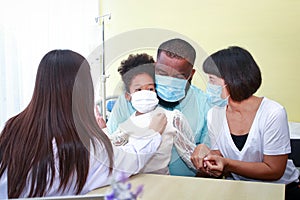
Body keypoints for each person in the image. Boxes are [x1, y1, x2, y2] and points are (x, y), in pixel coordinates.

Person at [0, 50, 167, 198]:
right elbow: (129, 161)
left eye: (150, 88)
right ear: (84, 90)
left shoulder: (12, 128)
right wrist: (151, 134)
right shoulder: (84, 145)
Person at [190, 46, 300, 200]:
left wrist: (226, 164)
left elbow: (274, 170)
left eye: (212, 79)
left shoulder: (273, 113)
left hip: (280, 191)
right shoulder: (214, 114)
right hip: (239, 191)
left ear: (232, 81)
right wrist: (206, 154)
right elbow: (221, 155)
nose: (209, 85)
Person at [107, 38, 220, 177]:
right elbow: (113, 151)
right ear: (155, 66)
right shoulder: (132, 99)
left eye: (179, 76)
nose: (170, 81)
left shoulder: (204, 105)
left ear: (191, 74)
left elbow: (210, 162)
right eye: (163, 73)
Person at [105, 53, 196, 175]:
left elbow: (191, 155)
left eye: (150, 89)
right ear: (128, 96)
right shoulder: (127, 124)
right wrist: (101, 128)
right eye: (138, 90)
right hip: (134, 183)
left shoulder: (172, 118)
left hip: (162, 183)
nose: (145, 93)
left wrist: (208, 164)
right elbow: (111, 150)